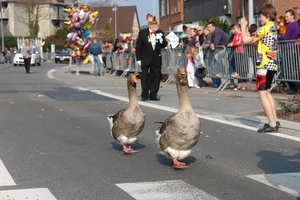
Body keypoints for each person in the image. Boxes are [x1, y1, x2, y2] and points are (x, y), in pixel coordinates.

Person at [240, 4, 280, 133]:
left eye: (261, 16)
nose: (259, 19)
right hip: (272, 64)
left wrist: (242, 26)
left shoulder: (263, 29)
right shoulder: (273, 28)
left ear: (267, 16)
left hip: (263, 65)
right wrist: (246, 29)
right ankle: (274, 120)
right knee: (267, 93)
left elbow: (245, 40)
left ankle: (272, 123)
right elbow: (257, 45)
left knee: (262, 94)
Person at [135, 13, 168, 101]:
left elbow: (164, 44)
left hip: (156, 58)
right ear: (149, 25)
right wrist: (138, 59)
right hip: (145, 58)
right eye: (154, 24)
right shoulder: (143, 32)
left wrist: (161, 39)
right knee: (145, 77)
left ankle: (153, 94)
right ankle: (144, 94)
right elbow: (138, 47)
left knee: (156, 77)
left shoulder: (160, 32)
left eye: (156, 24)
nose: (155, 26)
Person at [278, 9, 300, 94]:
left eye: (287, 16)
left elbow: (285, 38)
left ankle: (297, 87)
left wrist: (276, 38)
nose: (286, 18)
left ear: (292, 16)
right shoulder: (296, 25)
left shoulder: (291, 25)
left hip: (287, 49)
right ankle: (292, 88)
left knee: (287, 71)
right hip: (291, 48)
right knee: (287, 70)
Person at [207, 21, 230, 87]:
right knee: (214, 61)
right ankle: (217, 80)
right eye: (208, 27)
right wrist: (211, 44)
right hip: (222, 48)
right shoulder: (212, 33)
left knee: (217, 56)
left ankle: (222, 71)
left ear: (214, 27)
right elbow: (211, 41)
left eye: (210, 27)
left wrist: (212, 44)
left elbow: (216, 42)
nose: (208, 28)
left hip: (226, 47)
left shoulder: (218, 32)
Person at [228, 24, 248, 90]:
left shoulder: (241, 34)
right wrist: (232, 43)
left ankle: (244, 84)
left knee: (243, 69)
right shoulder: (235, 35)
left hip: (242, 52)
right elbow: (234, 41)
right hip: (236, 52)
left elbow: (240, 42)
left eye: (235, 29)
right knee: (238, 68)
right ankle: (240, 84)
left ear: (239, 28)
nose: (235, 30)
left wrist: (232, 44)